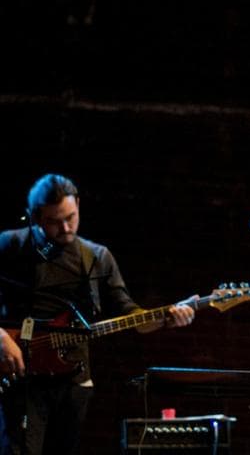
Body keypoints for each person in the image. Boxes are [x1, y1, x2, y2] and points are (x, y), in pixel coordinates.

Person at [0, 174, 196, 455]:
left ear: (78, 204)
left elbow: (132, 314)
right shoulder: (9, 246)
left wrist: (168, 317)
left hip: (73, 381)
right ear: (35, 217)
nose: (66, 228)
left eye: (71, 217)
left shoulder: (97, 256)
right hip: (18, 380)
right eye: (54, 221)